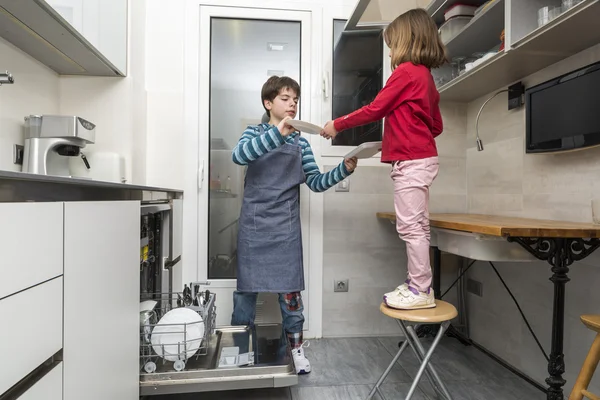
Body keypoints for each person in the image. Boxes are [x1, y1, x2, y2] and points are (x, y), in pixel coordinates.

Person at [321, 8, 447, 310]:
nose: (390, 50)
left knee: (410, 228)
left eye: (392, 43)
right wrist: (402, 133)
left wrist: (337, 124)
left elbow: (374, 109)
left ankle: (420, 290)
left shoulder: (405, 72)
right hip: (421, 158)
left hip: (412, 161)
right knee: (419, 227)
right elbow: (436, 126)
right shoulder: (425, 77)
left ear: (406, 40)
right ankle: (419, 285)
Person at [231, 75, 358, 374]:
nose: (292, 104)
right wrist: (278, 133)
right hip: (254, 226)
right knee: (246, 294)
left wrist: (343, 169)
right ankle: (238, 348)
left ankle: (297, 350)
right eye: (285, 99)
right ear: (268, 103)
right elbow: (240, 156)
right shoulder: (253, 133)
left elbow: (316, 182)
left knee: (291, 297)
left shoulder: (301, 144)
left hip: (285, 230)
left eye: (295, 100)